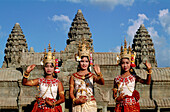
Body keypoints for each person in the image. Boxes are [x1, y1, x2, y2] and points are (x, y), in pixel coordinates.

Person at [22, 44, 65, 112]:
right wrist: (27, 73)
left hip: (53, 108)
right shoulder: (40, 80)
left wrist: (53, 103)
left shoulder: (58, 82)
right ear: (43, 67)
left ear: (54, 68)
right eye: (47, 66)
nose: (49, 69)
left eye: (51, 66)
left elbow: (62, 99)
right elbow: (24, 83)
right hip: (40, 107)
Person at [113, 39, 152, 112]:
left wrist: (149, 71)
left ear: (130, 64)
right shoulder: (117, 79)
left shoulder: (133, 77)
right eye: (123, 63)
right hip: (120, 107)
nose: (125, 65)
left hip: (132, 106)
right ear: (120, 64)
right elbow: (114, 95)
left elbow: (147, 82)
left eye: (127, 63)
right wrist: (118, 99)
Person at [69, 40, 104, 112]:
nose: (84, 64)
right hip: (77, 104)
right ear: (79, 61)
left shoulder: (91, 75)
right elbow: (71, 93)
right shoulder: (74, 76)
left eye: (86, 61)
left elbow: (101, 82)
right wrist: (75, 100)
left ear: (89, 62)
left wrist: (99, 74)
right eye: (82, 61)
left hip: (90, 104)